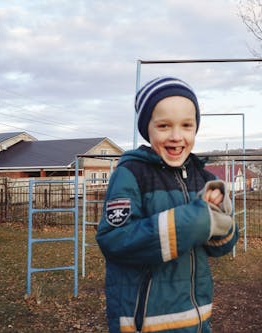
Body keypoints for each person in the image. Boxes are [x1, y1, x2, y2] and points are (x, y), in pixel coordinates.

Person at [96, 76, 238, 333]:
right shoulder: (131, 173)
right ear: (147, 128)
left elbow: (223, 247)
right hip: (146, 324)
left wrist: (221, 215)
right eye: (163, 126)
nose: (176, 136)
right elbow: (113, 240)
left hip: (196, 322)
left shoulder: (204, 178)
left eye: (186, 125)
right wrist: (192, 221)